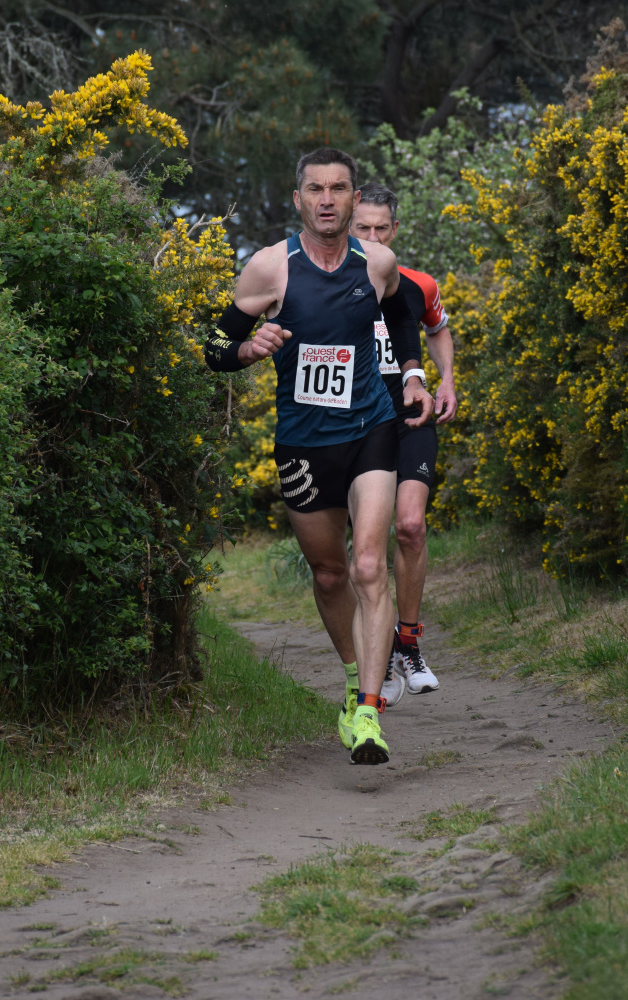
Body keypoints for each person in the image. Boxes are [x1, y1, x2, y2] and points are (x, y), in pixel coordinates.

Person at [203, 148, 433, 765]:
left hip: (370, 429)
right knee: (330, 574)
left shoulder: (376, 263)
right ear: (298, 198)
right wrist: (248, 350)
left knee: (368, 566)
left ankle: (369, 712)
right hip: (304, 443)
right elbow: (213, 346)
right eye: (315, 189)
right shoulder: (269, 268)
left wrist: (413, 373)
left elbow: (401, 315)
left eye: (338, 189)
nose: (327, 200)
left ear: (355, 198)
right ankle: (356, 677)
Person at [351, 182, 458, 703]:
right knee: (365, 551)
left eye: (381, 229)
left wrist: (447, 379)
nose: (372, 238)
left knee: (411, 527)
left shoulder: (418, 284)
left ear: (395, 230)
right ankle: (376, 663)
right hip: (354, 425)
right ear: (347, 226)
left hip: (409, 415)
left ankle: (408, 646)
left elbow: (436, 328)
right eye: (362, 228)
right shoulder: (328, 281)